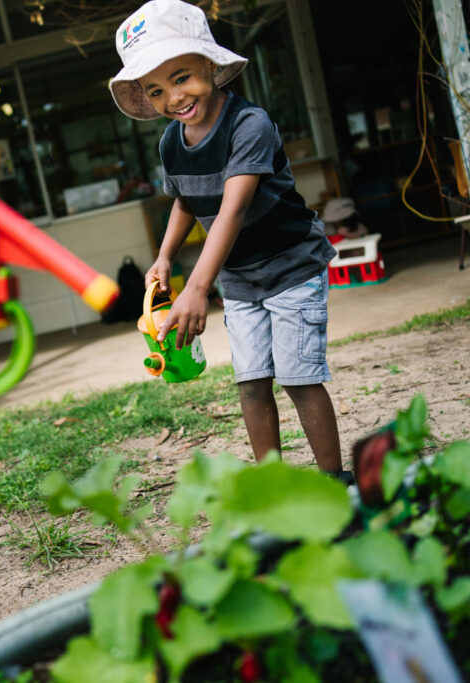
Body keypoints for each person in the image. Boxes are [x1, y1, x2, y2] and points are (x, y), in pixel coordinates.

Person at [109, 0, 350, 481]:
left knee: (299, 378)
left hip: (289, 266)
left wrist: (198, 287)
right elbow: (185, 201)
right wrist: (163, 256)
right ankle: (274, 484)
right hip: (241, 278)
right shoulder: (170, 143)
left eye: (181, 78)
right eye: (156, 90)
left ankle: (333, 479)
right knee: (252, 382)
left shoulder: (249, 125)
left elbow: (231, 209)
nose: (173, 98)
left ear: (210, 67)